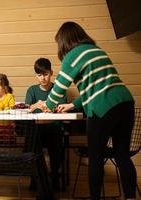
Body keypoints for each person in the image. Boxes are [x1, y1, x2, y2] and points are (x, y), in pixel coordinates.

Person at [38, 22, 136, 200]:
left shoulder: (73, 55)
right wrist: (73, 105)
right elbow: (99, 86)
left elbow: (59, 86)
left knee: (95, 157)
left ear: (64, 41)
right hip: (125, 103)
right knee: (122, 155)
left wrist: (48, 105)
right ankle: (130, 197)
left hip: (103, 108)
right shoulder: (97, 51)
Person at [25, 57, 67, 191]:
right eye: (39, 75)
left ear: (51, 73)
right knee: (32, 143)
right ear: (36, 76)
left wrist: (51, 107)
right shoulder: (32, 90)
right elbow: (26, 109)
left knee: (55, 146)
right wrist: (35, 105)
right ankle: (35, 179)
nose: (42, 78)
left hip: (54, 127)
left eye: (45, 74)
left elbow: (62, 108)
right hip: (37, 128)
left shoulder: (58, 89)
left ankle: (53, 179)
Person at [0, 73, 16, 143]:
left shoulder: (9, 97)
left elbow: (12, 108)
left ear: (4, 87)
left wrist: (6, 109)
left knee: (7, 142)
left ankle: (13, 139)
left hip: (8, 124)